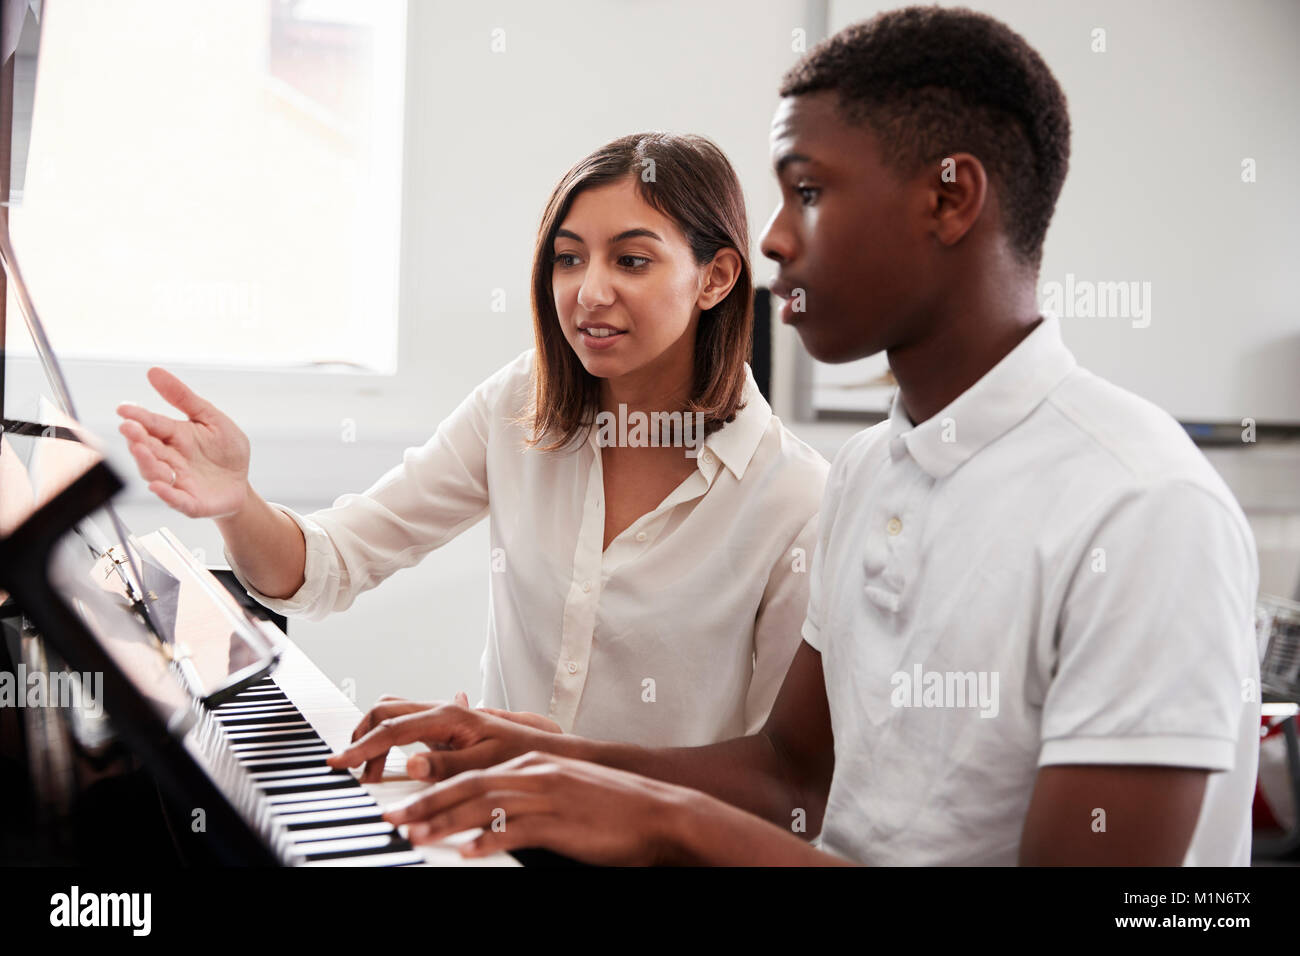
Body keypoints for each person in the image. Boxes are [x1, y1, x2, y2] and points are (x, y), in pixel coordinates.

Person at [329, 6, 1262, 866]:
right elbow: (790, 776)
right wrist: (542, 756)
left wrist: (661, 818)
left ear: (949, 201)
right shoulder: (871, 471)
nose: (773, 241)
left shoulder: (1143, 509)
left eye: (807, 192)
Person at [116, 132, 829, 771]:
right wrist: (238, 505)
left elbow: (778, 779)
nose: (588, 291)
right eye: (568, 259)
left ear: (716, 277)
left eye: (632, 260)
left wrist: (548, 764)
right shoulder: (520, 402)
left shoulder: (796, 500)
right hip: (500, 830)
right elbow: (330, 564)